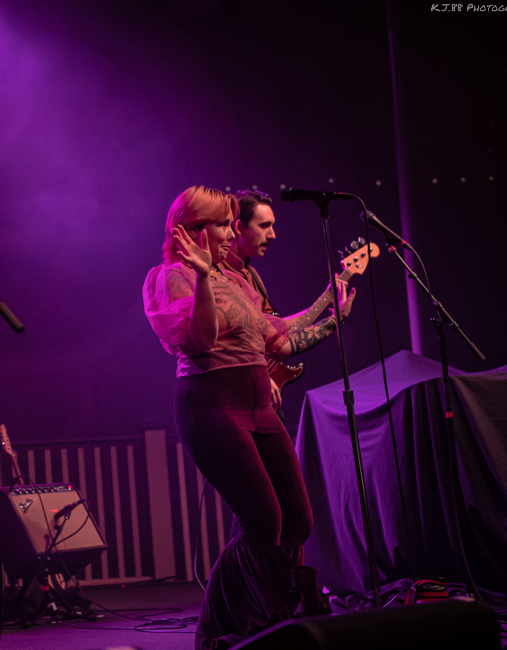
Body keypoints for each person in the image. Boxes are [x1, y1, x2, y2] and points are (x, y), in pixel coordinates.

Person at [142, 186, 353, 648]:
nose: (229, 231)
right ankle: (243, 623)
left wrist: (333, 312)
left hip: (258, 400)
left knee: (297, 518)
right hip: (213, 403)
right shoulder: (169, 277)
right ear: (193, 230)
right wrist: (200, 279)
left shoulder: (237, 280)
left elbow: (277, 338)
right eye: (221, 223)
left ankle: (261, 615)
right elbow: (199, 340)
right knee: (262, 520)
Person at [225, 189, 353, 411]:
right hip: (238, 395)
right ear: (239, 227)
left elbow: (274, 330)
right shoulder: (223, 276)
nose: (273, 235)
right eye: (265, 226)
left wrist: (324, 303)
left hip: (262, 393)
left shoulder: (252, 275)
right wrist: (336, 320)